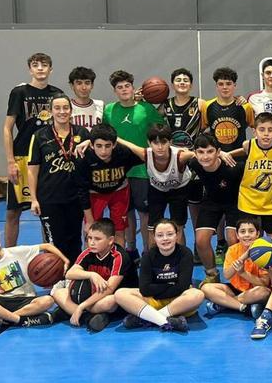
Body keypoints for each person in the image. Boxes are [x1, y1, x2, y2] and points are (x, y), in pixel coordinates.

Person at [3, 52, 64, 247]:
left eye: (44, 65)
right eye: (35, 65)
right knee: (14, 211)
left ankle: (50, 258)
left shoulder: (57, 94)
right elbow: (7, 128)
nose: (40, 68)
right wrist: (10, 161)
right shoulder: (19, 92)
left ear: (50, 69)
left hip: (48, 158)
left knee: (47, 211)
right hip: (23, 157)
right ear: (30, 69)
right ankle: (8, 255)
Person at [103, 70, 165, 256]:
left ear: (133, 87)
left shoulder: (146, 109)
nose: (124, 90)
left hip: (141, 170)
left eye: (127, 86)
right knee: (125, 212)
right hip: (117, 169)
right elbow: (104, 135)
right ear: (115, 91)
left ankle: (148, 250)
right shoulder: (109, 110)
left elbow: (159, 132)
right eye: (119, 87)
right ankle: (131, 249)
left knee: (144, 212)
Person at [0, 226, 68, 329]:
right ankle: (19, 320)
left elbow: (47, 246)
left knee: (47, 300)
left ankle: (2, 319)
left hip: (25, 299)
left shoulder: (16, 252)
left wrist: (65, 260)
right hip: (1, 302)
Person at [28, 95, 90, 262]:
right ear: (50, 111)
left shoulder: (82, 133)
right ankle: (56, 280)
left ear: (71, 110)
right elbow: (32, 169)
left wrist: (90, 142)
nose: (62, 112)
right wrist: (33, 199)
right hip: (49, 198)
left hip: (75, 197)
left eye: (65, 108)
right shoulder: (40, 135)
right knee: (54, 243)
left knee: (75, 240)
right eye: (57, 108)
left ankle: (73, 278)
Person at [114, 219, 204, 332]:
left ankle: (149, 318)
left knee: (197, 294)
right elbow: (145, 289)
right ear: (154, 238)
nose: (165, 238)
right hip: (154, 300)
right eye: (160, 235)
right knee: (120, 294)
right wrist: (170, 284)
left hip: (178, 301)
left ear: (177, 235)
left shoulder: (185, 253)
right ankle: (165, 321)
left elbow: (183, 287)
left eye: (170, 234)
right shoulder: (148, 256)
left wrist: (158, 289)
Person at [200, 67, 255, 251]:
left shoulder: (244, 106)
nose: (225, 87)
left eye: (228, 84)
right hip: (217, 162)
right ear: (216, 86)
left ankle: (238, 244)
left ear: (235, 86)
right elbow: (204, 131)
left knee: (235, 204)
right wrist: (216, 153)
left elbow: (255, 129)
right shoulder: (208, 106)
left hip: (239, 162)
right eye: (221, 84)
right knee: (218, 202)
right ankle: (221, 243)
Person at [51, 219, 138, 332]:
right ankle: (88, 317)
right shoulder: (88, 252)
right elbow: (70, 274)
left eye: (97, 239)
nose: (91, 242)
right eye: (89, 238)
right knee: (58, 293)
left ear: (110, 240)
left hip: (112, 298)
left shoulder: (119, 256)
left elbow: (109, 289)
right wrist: (92, 275)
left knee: (110, 301)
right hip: (92, 296)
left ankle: (71, 311)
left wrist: (82, 306)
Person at [75, 124, 144, 247]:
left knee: (118, 230)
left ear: (114, 144)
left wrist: (119, 140)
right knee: (91, 232)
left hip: (119, 191)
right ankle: (91, 262)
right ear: (91, 145)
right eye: (99, 146)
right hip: (94, 194)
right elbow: (82, 190)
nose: (103, 151)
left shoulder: (123, 152)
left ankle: (120, 262)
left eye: (108, 146)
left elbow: (144, 155)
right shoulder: (83, 158)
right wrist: (89, 219)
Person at [157, 68, 203, 254]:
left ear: (191, 84)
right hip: (172, 163)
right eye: (178, 80)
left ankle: (198, 248)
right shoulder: (164, 106)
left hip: (194, 162)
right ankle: (180, 252)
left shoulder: (200, 104)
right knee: (178, 213)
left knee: (196, 207)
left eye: (186, 80)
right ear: (172, 84)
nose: (182, 82)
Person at [224, 112, 272, 242]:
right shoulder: (248, 145)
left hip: (269, 204)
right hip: (248, 202)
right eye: (261, 130)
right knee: (245, 240)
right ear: (254, 131)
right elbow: (239, 152)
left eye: (270, 130)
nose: (266, 134)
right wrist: (224, 154)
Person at [185, 134, 240, 285]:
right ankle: (212, 274)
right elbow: (181, 152)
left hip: (234, 203)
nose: (205, 156)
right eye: (201, 152)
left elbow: (249, 150)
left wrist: (226, 153)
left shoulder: (232, 167)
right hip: (212, 202)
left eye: (210, 151)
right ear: (195, 153)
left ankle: (238, 276)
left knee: (233, 239)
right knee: (201, 240)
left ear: (217, 152)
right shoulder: (195, 163)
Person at [202, 216, 272, 318]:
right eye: (243, 232)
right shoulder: (232, 250)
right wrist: (245, 256)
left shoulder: (264, 252)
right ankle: (243, 307)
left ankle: (224, 304)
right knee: (206, 288)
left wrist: (243, 273)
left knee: (264, 293)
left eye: (251, 231)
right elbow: (226, 275)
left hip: (254, 290)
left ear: (257, 234)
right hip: (235, 288)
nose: (247, 235)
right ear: (237, 235)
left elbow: (264, 284)